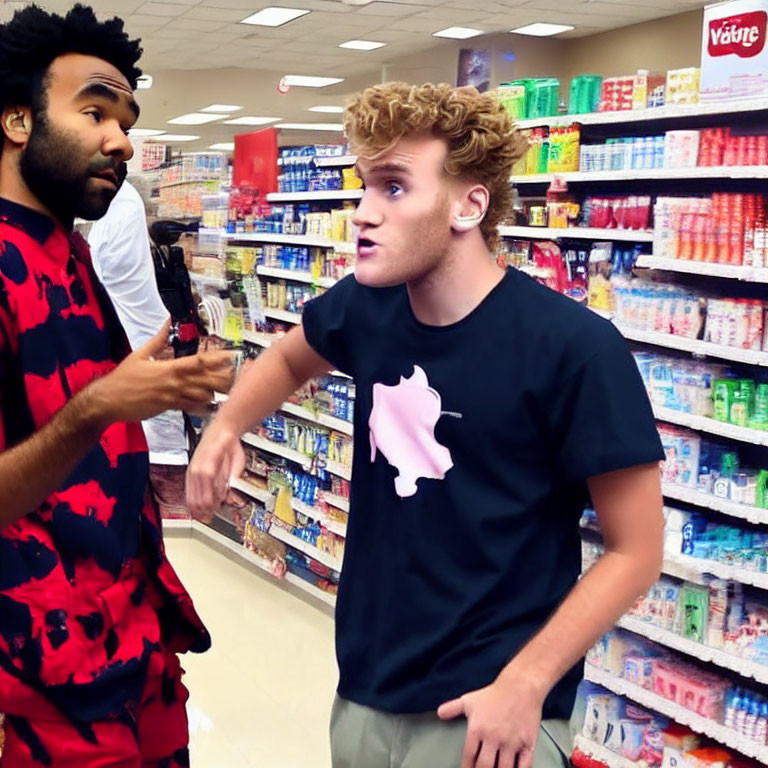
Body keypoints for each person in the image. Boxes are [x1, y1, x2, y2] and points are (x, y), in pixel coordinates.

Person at [188, 82, 665, 768]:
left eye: (392, 188)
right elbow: (291, 356)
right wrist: (228, 425)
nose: (361, 214)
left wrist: (526, 685)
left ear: (470, 204)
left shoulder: (573, 348)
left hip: (486, 710)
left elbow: (635, 550)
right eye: (364, 186)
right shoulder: (367, 304)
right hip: (366, 689)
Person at [0, 5, 233, 766]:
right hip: (35, 681)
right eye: (94, 110)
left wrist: (153, 395)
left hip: (128, 647)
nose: (121, 139)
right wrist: (96, 408)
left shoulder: (71, 253)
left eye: (128, 119)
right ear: (16, 121)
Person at [89, 179, 191, 518]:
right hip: (144, 362)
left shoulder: (120, 208)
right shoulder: (122, 209)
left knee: (155, 502)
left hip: (141, 362)